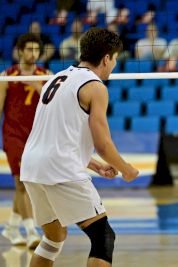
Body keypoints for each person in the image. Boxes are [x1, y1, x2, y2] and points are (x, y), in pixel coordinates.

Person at [20, 27, 139, 267]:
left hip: (32, 168)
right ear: (106, 58)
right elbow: (103, 144)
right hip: (59, 170)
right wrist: (126, 169)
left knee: (54, 237)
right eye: (115, 60)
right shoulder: (95, 87)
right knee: (103, 237)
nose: (114, 65)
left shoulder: (55, 78)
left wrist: (93, 164)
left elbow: (56, 137)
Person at [0, 33, 52, 249]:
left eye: (36, 49)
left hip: (36, 136)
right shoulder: (7, 76)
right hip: (13, 135)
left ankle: (11, 227)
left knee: (27, 183)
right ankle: (31, 231)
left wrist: (37, 87)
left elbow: (54, 106)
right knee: (22, 182)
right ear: (20, 51)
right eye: (29, 49)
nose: (33, 53)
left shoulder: (47, 75)